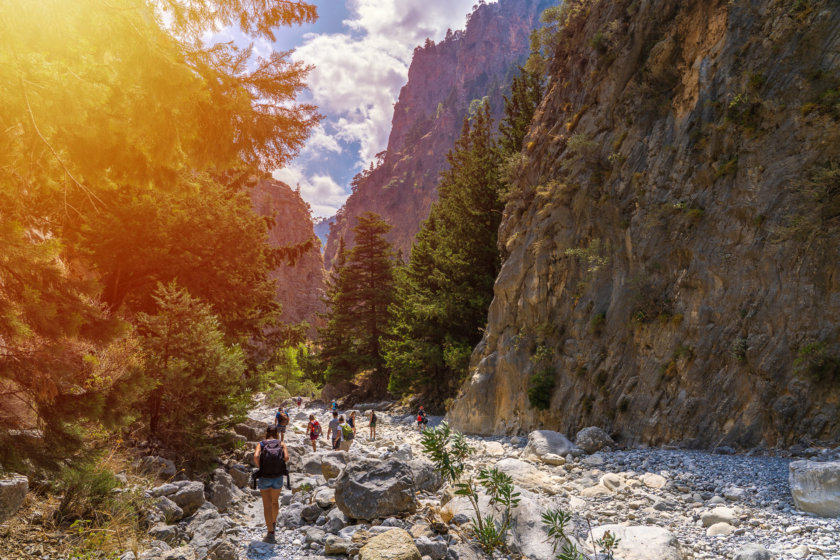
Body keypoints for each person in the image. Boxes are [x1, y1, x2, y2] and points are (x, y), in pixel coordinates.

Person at [253, 426, 289, 544]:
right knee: (275, 501)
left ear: (267, 433)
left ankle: (270, 534)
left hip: (265, 477)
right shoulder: (281, 443)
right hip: (278, 477)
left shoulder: (261, 444)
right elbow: (287, 458)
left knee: (267, 505)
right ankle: (273, 523)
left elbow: (256, 456)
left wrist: (261, 467)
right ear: (276, 433)